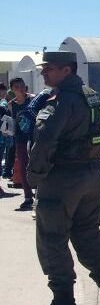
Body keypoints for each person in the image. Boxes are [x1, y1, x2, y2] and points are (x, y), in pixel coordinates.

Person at [24, 51, 100, 305]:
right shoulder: (91, 95)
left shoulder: (61, 101)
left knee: (52, 238)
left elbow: (45, 140)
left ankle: (63, 304)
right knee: (88, 234)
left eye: (49, 69)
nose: (44, 73)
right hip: (91, 176)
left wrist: (34, 176)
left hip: (62, 179)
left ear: (67, 70)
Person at [9, 77, 35, 210]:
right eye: (17, 87)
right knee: (23, 167)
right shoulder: (11, 104)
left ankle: (41, 194)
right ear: (12, 90)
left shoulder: (33, 100)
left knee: (37, 166)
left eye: (22, 85)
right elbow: (11, 122)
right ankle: (28, 197)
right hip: (20, 139)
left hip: (35, 137)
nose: (21, 88)